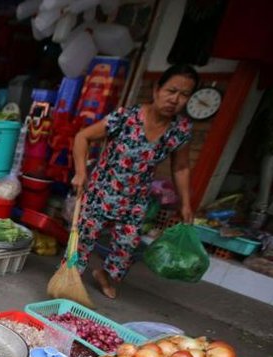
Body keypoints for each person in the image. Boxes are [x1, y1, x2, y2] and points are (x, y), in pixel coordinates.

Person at [70, 64, 198, 299]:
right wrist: (81, 172)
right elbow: (82, 137)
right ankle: (70, 278)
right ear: (157, 89)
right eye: (171, 91)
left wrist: (186, 203)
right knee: (82, 240)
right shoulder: (126, 117)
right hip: (102, 191)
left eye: (184, 95)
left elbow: (180, 167)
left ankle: (105, 276)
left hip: (136, 199)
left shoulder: (180, 131)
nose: (175, 99)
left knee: (126, 248)